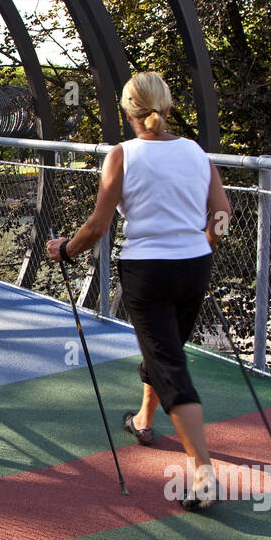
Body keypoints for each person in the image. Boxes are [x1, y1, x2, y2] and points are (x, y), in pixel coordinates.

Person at [46, 71, 232, 509]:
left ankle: (205, 474)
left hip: (148, 273)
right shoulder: (196, 153)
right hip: (194, 267)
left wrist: (64, 250)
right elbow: (222, 213)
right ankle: (145, 420)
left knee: (168, 363)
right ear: (166, 109)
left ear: (128, 111)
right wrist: (203, 247)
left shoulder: (122, 155)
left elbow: (97, 227)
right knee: (165, 350)